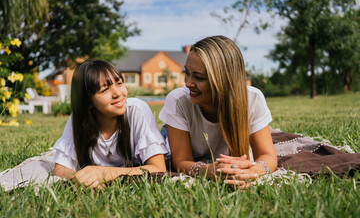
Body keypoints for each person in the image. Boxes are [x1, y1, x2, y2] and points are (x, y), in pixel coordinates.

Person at [159, 35, 277, 189]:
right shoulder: (177, 100)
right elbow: (181, 162)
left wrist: (253, 172)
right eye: (187, 72)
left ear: (223, 80)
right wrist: (207, 170)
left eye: (198, 77)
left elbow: (268, 156)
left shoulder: (253, 98)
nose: (188, 83)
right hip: (173, 133)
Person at [53, 59, 168, 189]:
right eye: (105, 90)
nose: (118, 93)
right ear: (88, 101)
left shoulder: (137, 110)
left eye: (119, 83)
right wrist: (85, 181)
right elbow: (60, 170)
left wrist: (104, 173)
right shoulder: (79, 120)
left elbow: (159, 169)